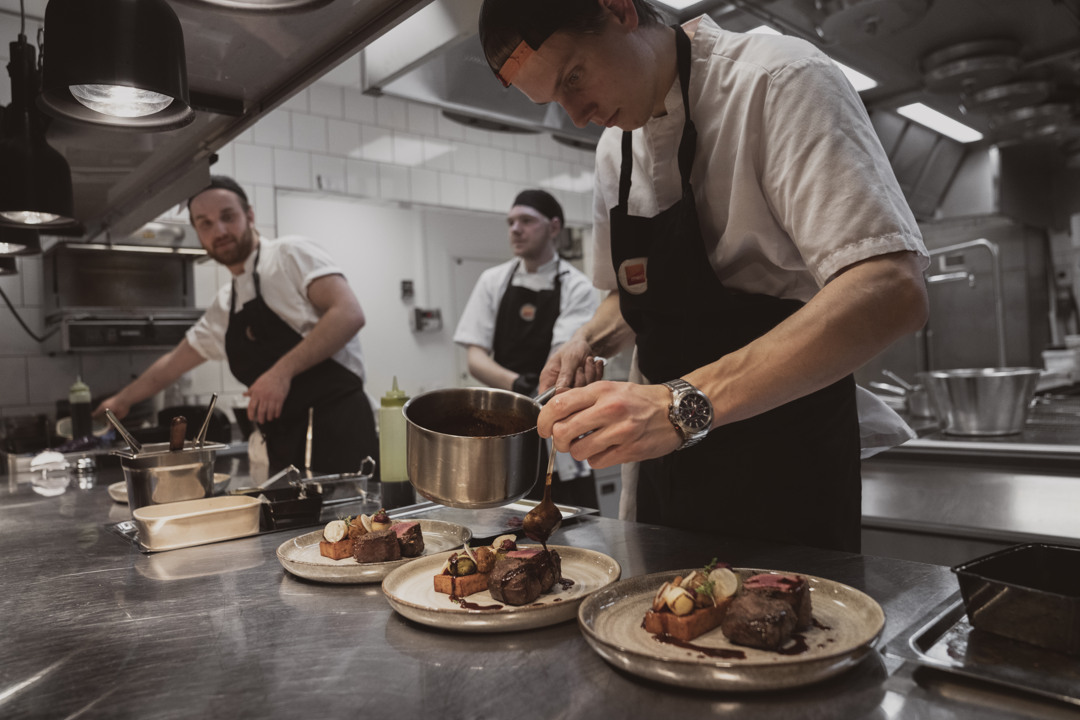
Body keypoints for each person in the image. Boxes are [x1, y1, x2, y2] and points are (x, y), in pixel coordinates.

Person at [478, 0, 930, 552]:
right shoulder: (613, 152)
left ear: (620, 10)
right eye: (555, 98)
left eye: (574, 76)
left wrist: (678, 406)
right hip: (664, 474)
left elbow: (890, 288)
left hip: (787, 462)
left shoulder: (777, 80)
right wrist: (585, 340)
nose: (575, 113)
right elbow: (633, 295)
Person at [95, 175, 379, 476]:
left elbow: (348, 313)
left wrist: (280, 373)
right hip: (284, 449)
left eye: (227, 216)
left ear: (250, 215)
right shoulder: (226, 304)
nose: (219, 230)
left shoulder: (288, 255)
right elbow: (172, 364)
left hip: (340, 434)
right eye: (204, 223)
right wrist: (121, 401)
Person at [453, 189, 600, 507]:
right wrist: (518, 385)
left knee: (569, 518)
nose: (515, 229)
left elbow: (563, 358)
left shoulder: (578, 287)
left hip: (561, 420)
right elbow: (475, 358)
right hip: (507, 425)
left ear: (554, 227)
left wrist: (543, 390)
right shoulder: (492, 280)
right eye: (511, 222)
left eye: (526, 221)